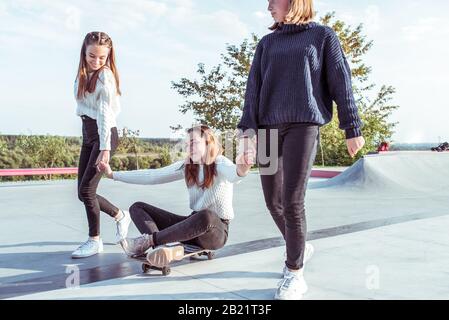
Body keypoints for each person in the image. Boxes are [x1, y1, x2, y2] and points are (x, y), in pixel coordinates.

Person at [237, 0, 366, 299]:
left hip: (303, 127)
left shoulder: (323, 37)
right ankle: (301, 245)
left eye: (273, 0)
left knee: (293, 201)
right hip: (268, 130)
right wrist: (247, 134)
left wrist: (352, 127)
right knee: (273, 201)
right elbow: (252, 91)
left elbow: (340, 82)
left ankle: (294, 272)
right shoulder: (266, 44)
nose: (268, 5)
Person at [98, 125, 255, 267]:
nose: (189, 147)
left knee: (206, 216)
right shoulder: (187, 166)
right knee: (137, 208)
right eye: (187, 144)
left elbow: (236, 174)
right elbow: (152, 175)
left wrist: (243, 167)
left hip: (214, 232)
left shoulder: (220, 163)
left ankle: (151, 241)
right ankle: (160, 250)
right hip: (190, 229)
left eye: (193, 142)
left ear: (208, 142)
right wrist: (113, 175)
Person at [72, 31, 131, 259]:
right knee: (82, 192)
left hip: (103, 135)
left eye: (101, 58)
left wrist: (105, 149)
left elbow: (106, 115)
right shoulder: (82, 75)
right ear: (84, 53)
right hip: (89, 135)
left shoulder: (105, 76)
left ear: (108, 57)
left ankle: (94, 240)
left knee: (88, 191)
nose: (96, 61)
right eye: (91, 56)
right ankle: (119, 215)